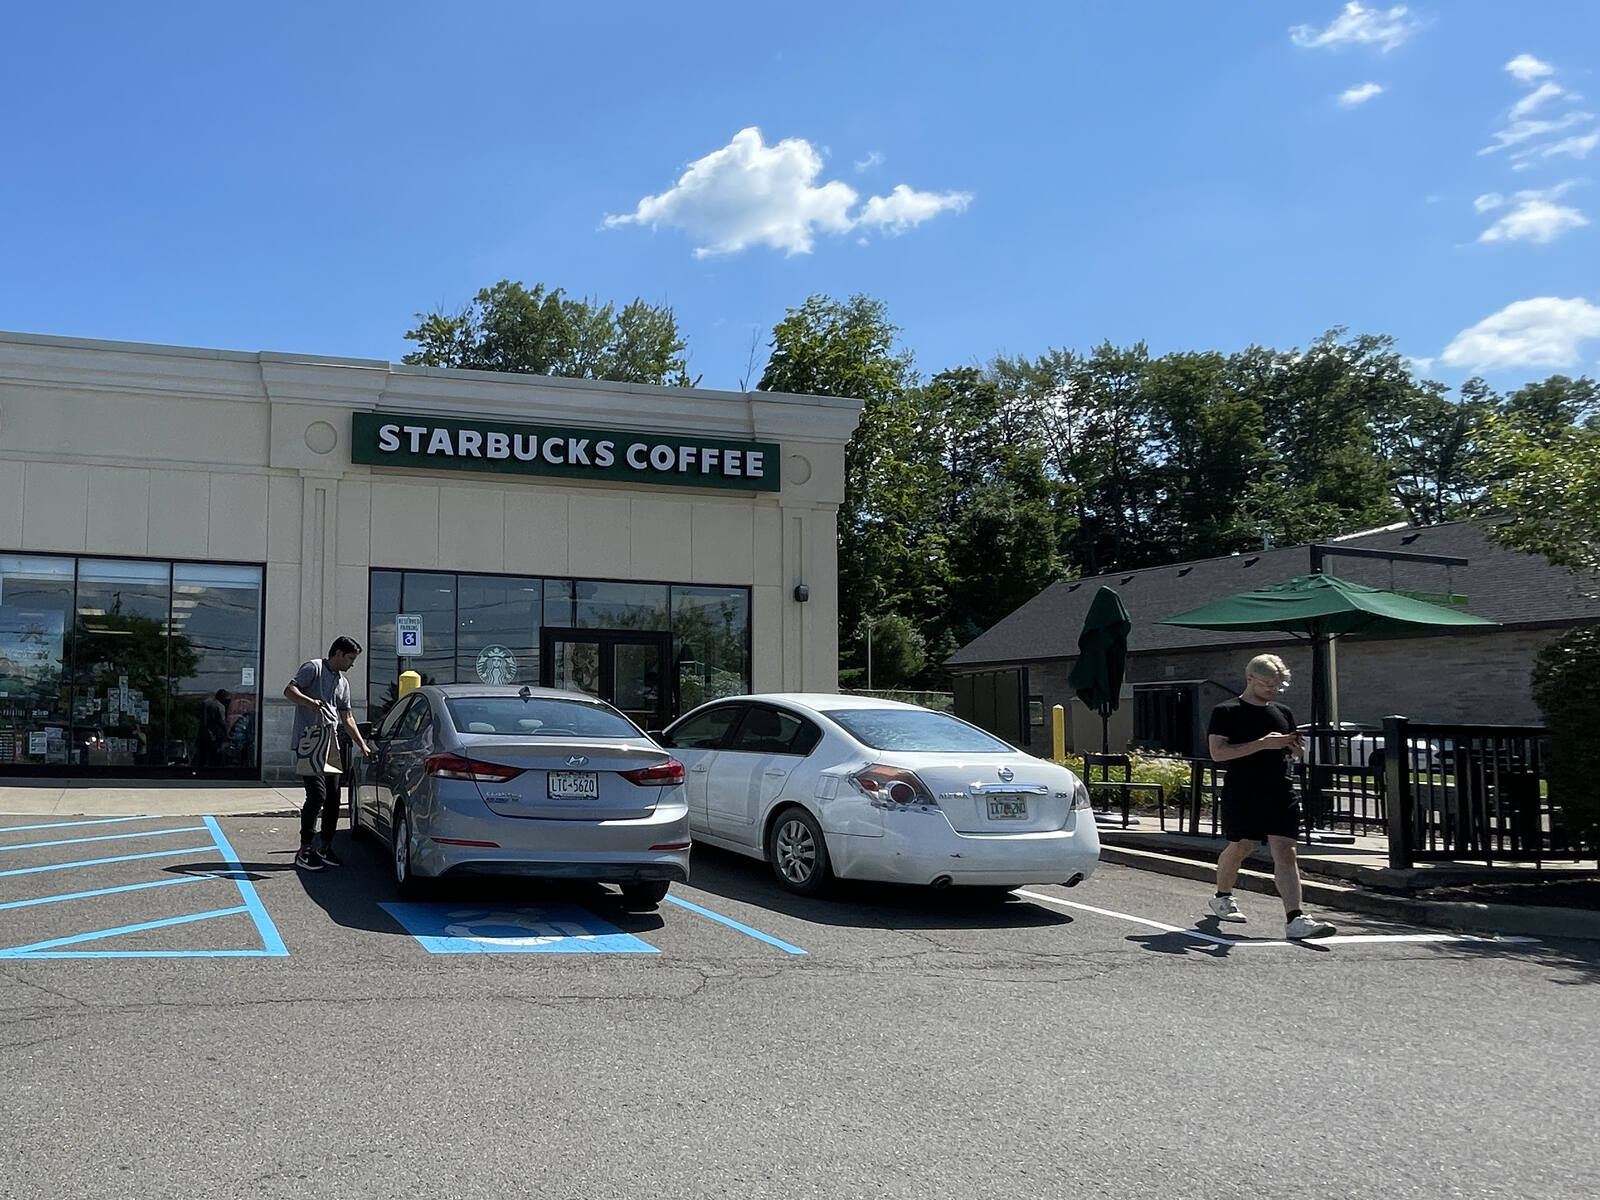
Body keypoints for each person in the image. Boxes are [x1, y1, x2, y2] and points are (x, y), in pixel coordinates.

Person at [1205, 653, 1336, 940]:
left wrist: (1295, 748)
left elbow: (1293, 748)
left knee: (1286, 851)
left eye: (1278, 686)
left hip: (1279, 788)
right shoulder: (1226, 711)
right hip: (1243, 790)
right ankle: (1222, 895)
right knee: (1241, 846)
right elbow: (1218, 753)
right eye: (1267, 685)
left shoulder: (1283, 712)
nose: (1273, 691)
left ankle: (1295, 918)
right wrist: (1262, 744)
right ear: (1250, 678)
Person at [284, 636, 372, 871]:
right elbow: (289, 690)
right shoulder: (313, 668)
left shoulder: (343, 682)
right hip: (310, 742)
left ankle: (325, 847)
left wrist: (362, 744)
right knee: (317, 796)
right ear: (339, 654)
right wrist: (309, 702)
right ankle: (305, 849)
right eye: (351, 658)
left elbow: (347, 717)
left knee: (334, 798)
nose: (352, 664)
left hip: (331, 744)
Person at [196, 689, 230, 767]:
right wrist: (226, 734)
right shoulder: (220, 706)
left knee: (202, 757)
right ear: (222, 697)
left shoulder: (205, 703)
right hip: (214, 735)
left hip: (202, 734)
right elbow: (221, 722)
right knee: (214, 756)